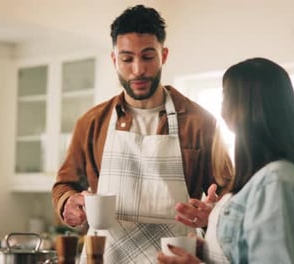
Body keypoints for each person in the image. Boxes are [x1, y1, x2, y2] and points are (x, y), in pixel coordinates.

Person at [52, 4, 233, 263]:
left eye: (148, 57)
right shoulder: (92, 123)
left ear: (164, 55)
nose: (138, 69)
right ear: (115, 60)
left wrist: (214, 212)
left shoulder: (200, 122)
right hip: (105, 256)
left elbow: (230, 196)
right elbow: (64, 185)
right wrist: (67, 203)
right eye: (127, 59)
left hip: (175, 256)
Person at [158, 57, 294, 264]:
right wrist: (213, 232)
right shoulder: (265, 176)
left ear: (243, 107)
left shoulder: (276, 181)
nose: (222, 108)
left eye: (225, 97)